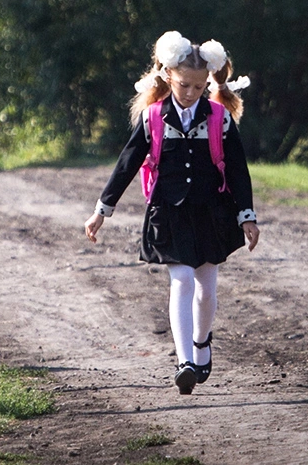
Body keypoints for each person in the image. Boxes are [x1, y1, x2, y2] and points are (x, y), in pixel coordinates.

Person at [84, 30, 260, 395]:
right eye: (184, 85)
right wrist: (102, 210)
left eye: (199, 86)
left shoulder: (220, 118)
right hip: (169, 213)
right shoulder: (152, 118)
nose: (191, 93)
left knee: (206, 290)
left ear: (207, 82)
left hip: (212, 213)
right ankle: (185, 363)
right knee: (181, 281)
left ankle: (201, 342)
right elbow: (127, 164)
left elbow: (238, 170)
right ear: (167, 76)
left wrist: (247, 216)